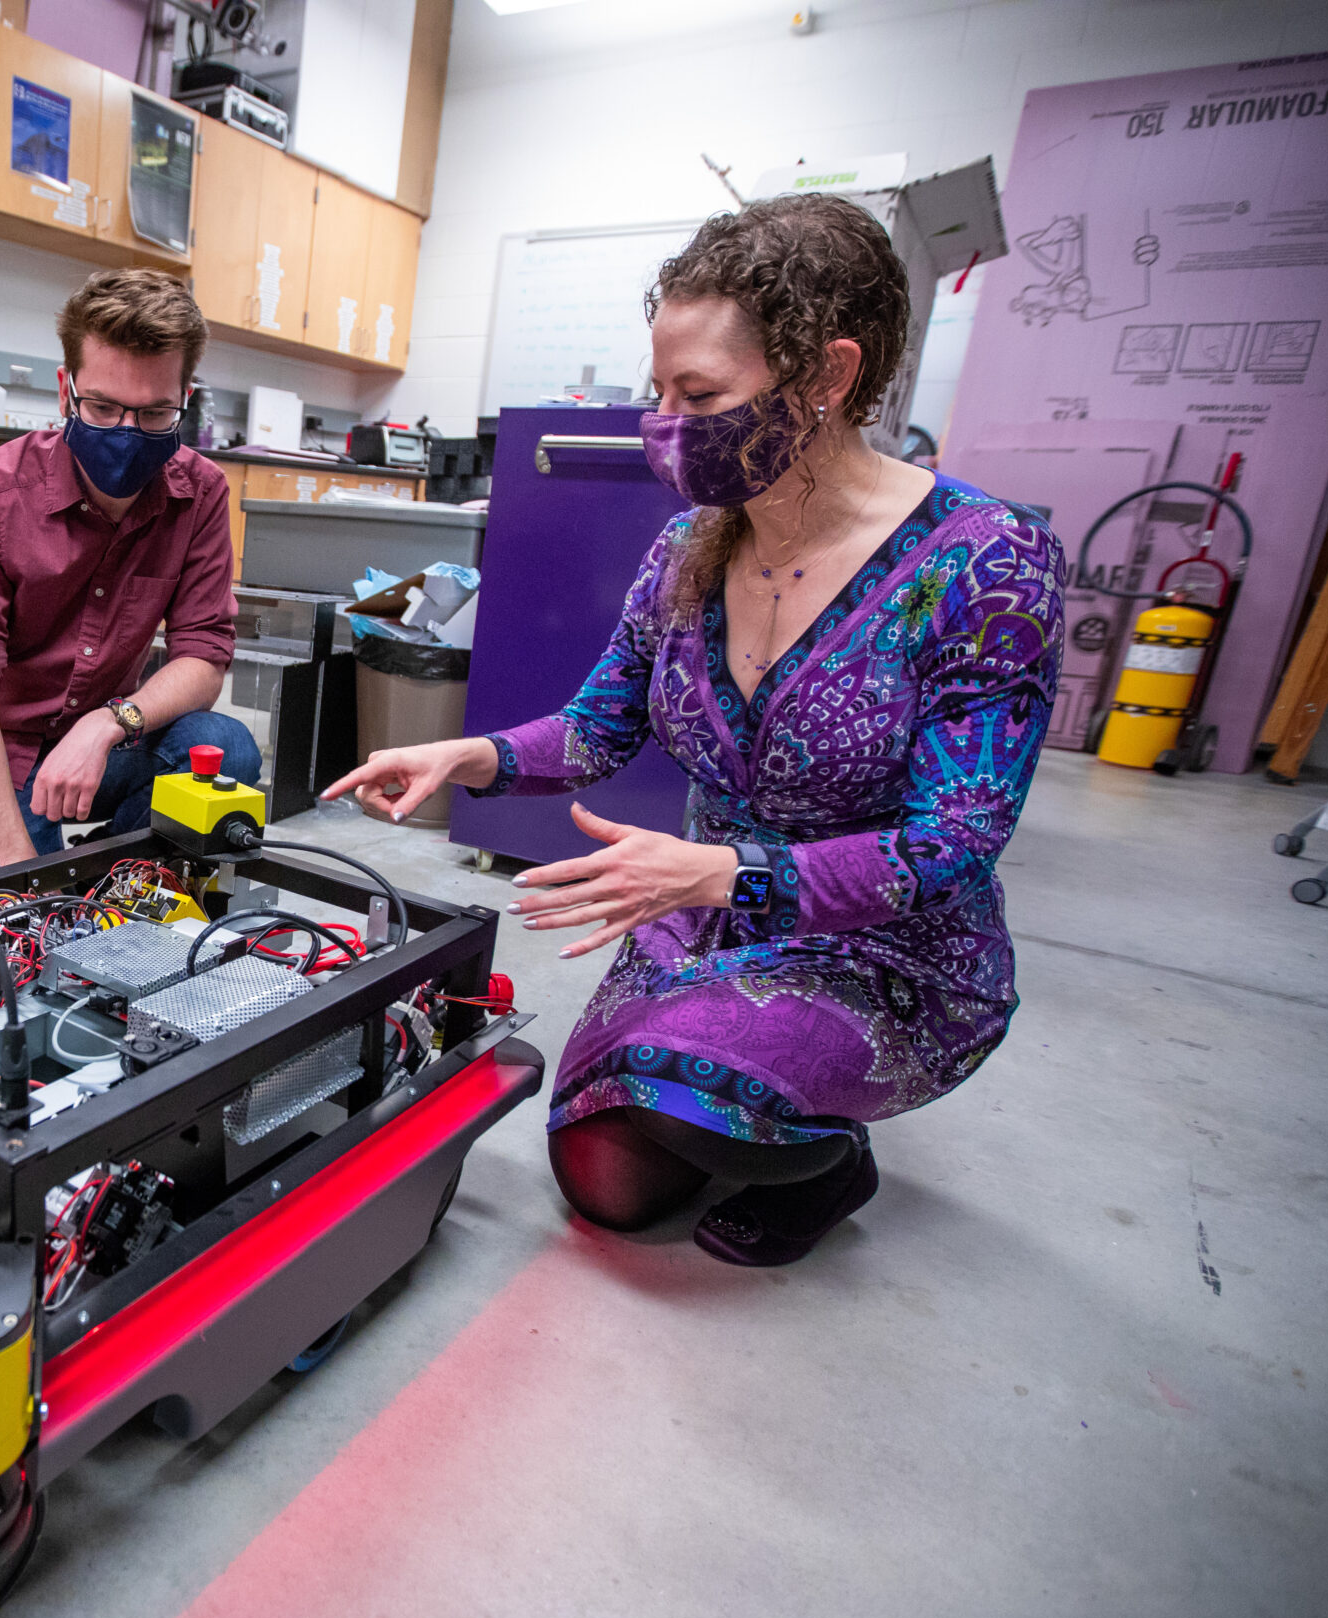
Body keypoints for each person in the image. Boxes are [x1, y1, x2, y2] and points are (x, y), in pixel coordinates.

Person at [323, 195, 1064, 1267]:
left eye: (700, 393)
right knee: (603, 1179)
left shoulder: (983, 564)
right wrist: (465, 755)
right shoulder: (689, 549)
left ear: (826, 376)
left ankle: (830, 1162)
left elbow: (949, 845)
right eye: (656, 392)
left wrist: (719, 873)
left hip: (885, 948)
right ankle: (736, 1078)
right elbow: (597, 729)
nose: (663, 423)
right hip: (703, 912)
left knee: (674, 1120)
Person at [0, 269, 259, 878]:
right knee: (28, 925)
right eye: (102, 407)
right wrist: (23, 876)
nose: (127, 436)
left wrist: (107, 724)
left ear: (185, 398)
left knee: (225, 747)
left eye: (157, 413)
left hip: (107, 743)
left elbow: (204, 657)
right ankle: (10, 866)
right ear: (64, 390)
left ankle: (111, 874)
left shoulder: (200, 491)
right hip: (0, 748)